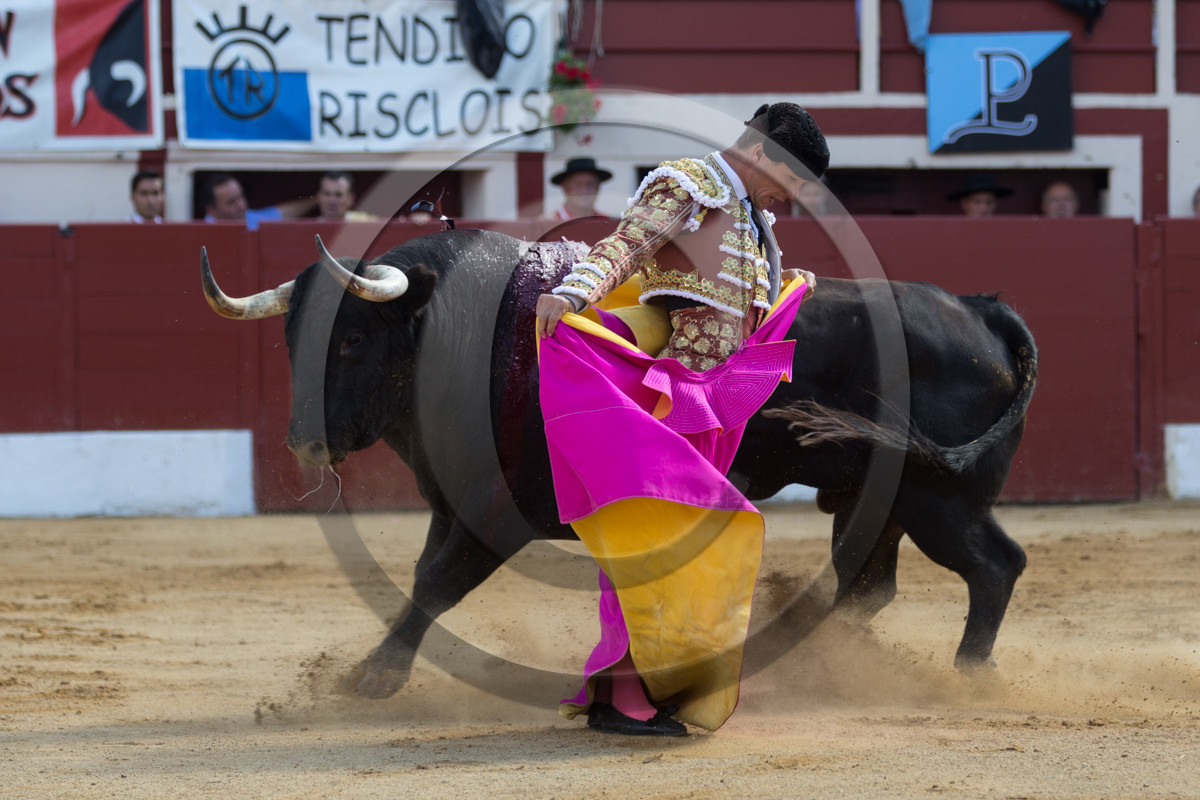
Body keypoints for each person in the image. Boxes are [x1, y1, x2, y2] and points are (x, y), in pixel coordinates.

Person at [535, 102, 828, 736]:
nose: (796, 195)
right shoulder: (688, 182)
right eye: (796, 179)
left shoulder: (755, 219)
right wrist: (575, 291)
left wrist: (788, 287)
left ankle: (655, 681)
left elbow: (735, 307)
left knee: (684, 546)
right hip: (674, 401)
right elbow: (628, 243)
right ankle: (620, 697)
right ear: (766, 157)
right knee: (654, 540)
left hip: (715, 406)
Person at [201, 172, 314, 231]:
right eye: (231, 202)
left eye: (241, 197)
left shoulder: (248, 217)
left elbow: (282, 213)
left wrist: (316, 199)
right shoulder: (205, 233)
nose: (240, 205)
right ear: (211, 210)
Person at [541, 157, 613, 221]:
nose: (584, 190)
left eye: (590, 184)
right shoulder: (548, 224)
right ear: (565, 188)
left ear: (597, 189)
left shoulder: (607, 223)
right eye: (577, 184)